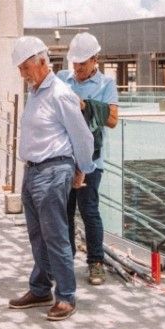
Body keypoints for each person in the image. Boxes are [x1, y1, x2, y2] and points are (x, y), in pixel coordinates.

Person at [7, 36, 95, 322]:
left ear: (42, 62)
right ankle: (41, 288)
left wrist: (82, 169)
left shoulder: (60, 93)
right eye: (20, 69)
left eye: (25, 68)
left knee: (55, 235)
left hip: (53, 170)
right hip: (33, 170)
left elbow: (82, 136)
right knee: (37, 234)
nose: (22, 74)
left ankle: (66, 296)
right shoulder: (36, 92)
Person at [57, 32, 119, 286]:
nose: (78, 68)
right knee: (65, 211)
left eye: (83, 63)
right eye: (75, 63)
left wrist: (86, 106)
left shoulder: (106, 84)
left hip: (92, 160)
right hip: (63, 157)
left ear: (95, 59)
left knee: (89, 210)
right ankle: (65, 260)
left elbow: (113, 120)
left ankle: (96, 262)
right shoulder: (63, 78)